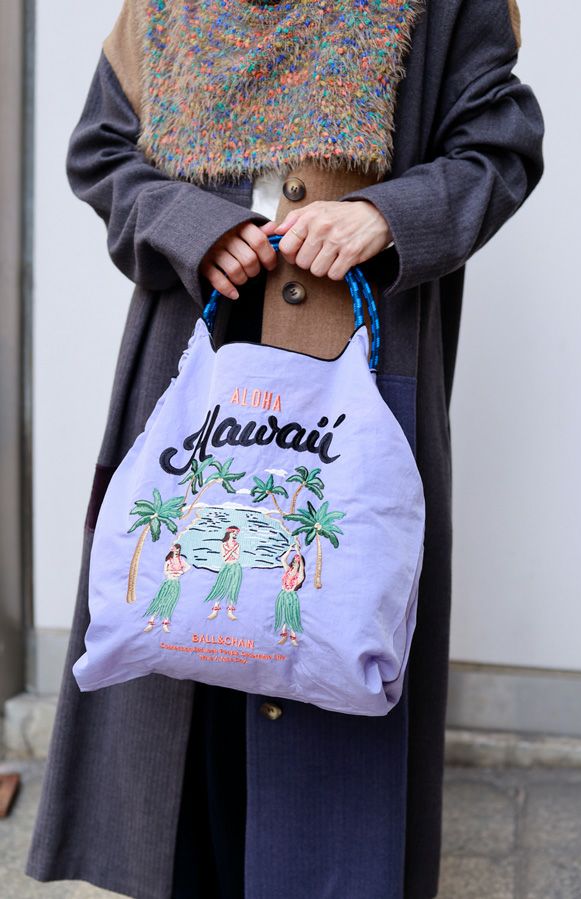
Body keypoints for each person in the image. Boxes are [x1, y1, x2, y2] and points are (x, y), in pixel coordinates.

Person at [26, 2, 544, 898]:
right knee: (185, 659)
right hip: (197, 352)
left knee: (325, 644)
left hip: (349, 370)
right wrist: (190, 225)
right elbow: (102, 150)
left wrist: (383, 215)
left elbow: (500, 147)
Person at [143, 543, 191, 634]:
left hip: (175, 584)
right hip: (167, 584)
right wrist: (171, 573)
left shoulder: (181, 560)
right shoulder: (169, 560)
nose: (177, 552)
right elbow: (165, 571)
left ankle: (165, 624)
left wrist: (181, 572)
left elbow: (188, 567)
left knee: (170, 604)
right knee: (160, 602)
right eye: (175, 550)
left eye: (178, 550)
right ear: (172, 550)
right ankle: (151, 622)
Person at [205, 525, 243, 621]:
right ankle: (215, 610)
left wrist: (230, 552)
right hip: (226, 567)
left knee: (233, 589)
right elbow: (225, 558)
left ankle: (230, 611)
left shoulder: (237, 544)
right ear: (229, 533)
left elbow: (236, 557)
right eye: (234, 532)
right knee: (221, 587)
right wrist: (232, 550)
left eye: (236, 533)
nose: (235, 534)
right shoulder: (223, 544)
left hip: (235, 567)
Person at [274, 547, 306, 646]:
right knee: (284, 615)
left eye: (297, 562)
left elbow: (302, 568)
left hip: (291, 597)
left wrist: (298, 552)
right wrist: (290, 549)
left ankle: (293, 637)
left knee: (291, 616)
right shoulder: (288, 570)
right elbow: (283, 559)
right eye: (294, 561)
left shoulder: (300, 576)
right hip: (283, 595)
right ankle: (284, 635)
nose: (295, 563)